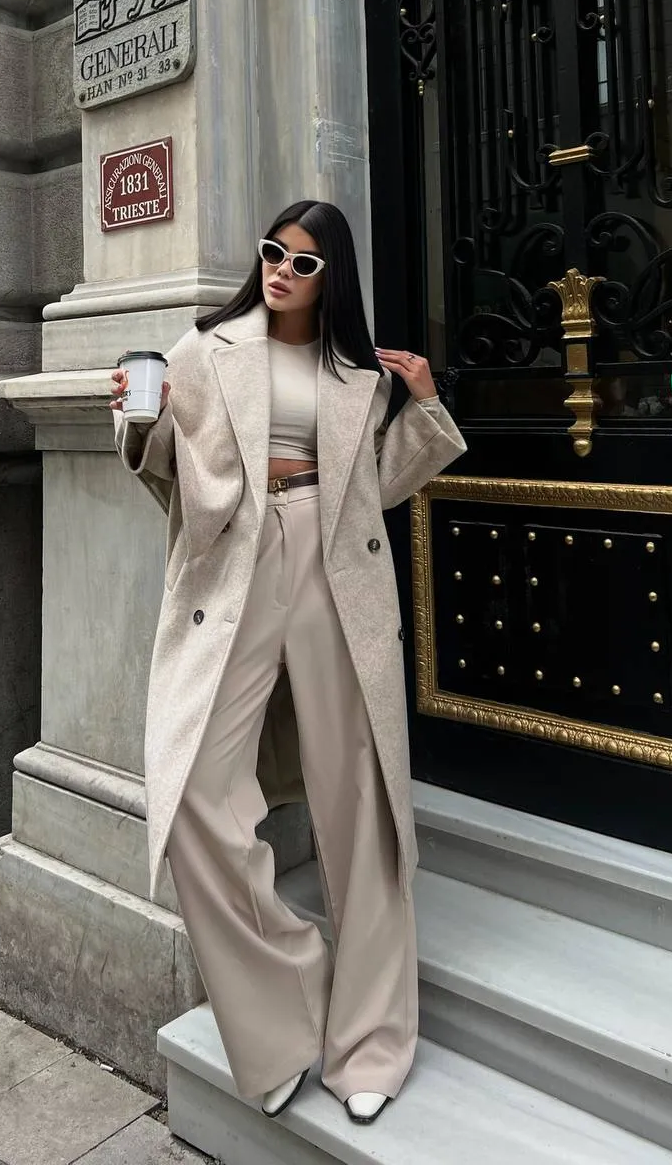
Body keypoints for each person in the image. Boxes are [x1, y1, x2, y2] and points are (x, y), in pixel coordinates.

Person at [110, 199, 465, 1126]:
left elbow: (379, 486)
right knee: (192, 787)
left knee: (358, 799)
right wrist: (138, 421)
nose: (281, 271)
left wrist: (424, 403)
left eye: (304, 263)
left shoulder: (358, 375)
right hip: (236, 564)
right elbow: (167, 467)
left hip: (334, 563)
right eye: (274, 252)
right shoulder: (205, 350)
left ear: (330, 276)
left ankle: (371, 1041)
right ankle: (285, 1002)